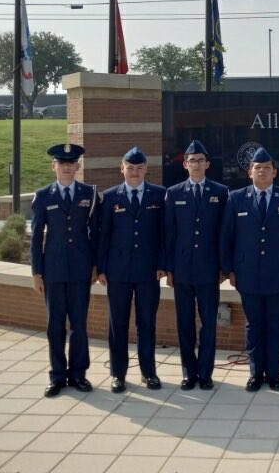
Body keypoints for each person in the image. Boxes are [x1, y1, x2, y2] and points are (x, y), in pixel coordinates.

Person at [220, 146, 279, 392]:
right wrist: (228, 269)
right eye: (257, 168)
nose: (262, 172)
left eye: (266, 168)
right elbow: (226, 236)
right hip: (247, 274)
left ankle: (274, 375)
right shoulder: (236, 198)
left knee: (275, 324)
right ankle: (255, 373)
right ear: (250, 172)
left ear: (274, 172)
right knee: (254, 324)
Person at [30, 143, 99, 397]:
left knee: (79, 325)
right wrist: (36, 272)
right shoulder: (43, 196)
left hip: (81, 271)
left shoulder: (89, 194)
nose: (67, 167)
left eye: (71, 163)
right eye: (62, 163)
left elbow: (96, 234)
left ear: (78, 166)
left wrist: (95, 265)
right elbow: (36, 237)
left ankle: (79, 374)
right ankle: (57, 376)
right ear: (54, 166)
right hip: (54, 271)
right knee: (55, 326)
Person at [98, 147, 166, 393]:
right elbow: (102, 235)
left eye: (139, 168)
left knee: (147, 323)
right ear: (122, 169)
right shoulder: (109, 197)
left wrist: (162, 264)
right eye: (130, 167)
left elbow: (164, 234)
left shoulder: (160, 196)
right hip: (117, 272)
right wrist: (101, 268)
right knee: (118, 324)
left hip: (148, 272)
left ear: (146, 169)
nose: (135, 172)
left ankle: (149, 373)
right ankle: (118, 374)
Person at [164, 140, 229, 390]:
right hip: (181, 270)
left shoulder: (220, 192)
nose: (197, 164)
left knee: (209, 322)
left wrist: (224, 266)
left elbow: (224, 233)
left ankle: (205, 373)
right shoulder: (174, 192)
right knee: (185, 322)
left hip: (209, 269)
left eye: (201, 160)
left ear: (208, 164)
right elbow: (168, 234)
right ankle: (188, 372)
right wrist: (168, 268)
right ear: (185, 164)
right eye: (192, 160)